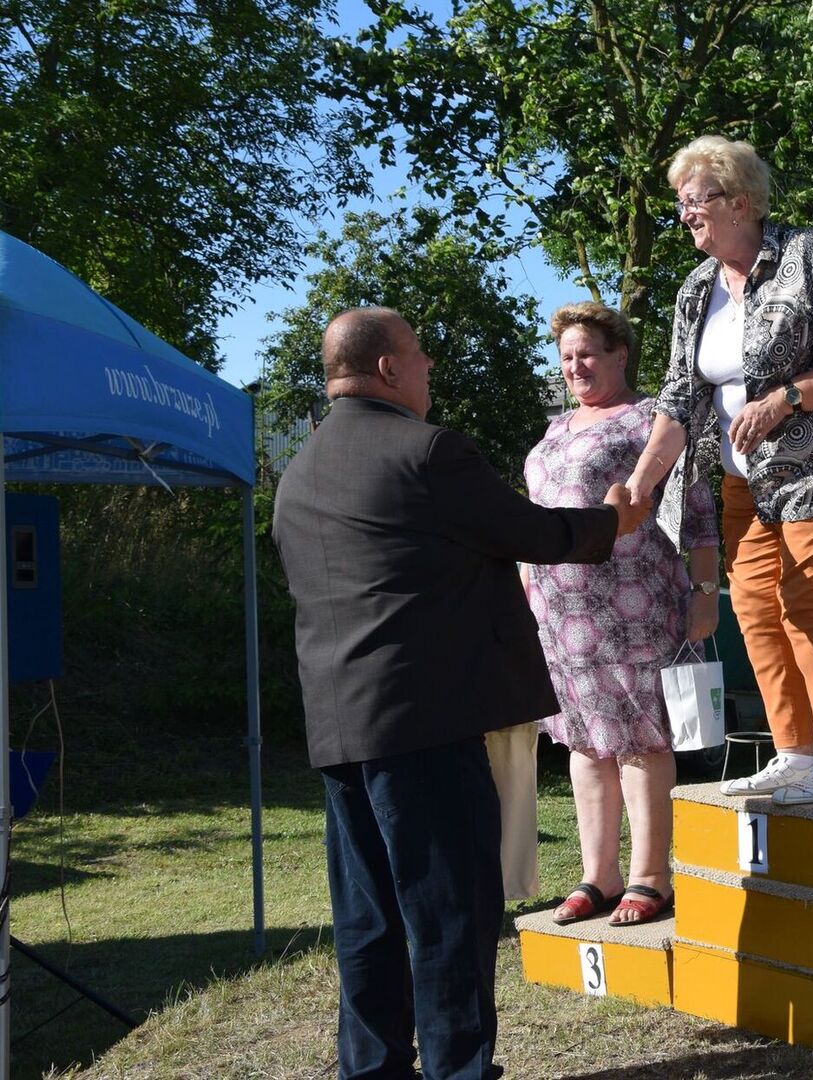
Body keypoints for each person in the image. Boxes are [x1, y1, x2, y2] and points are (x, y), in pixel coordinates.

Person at [271, 306, 649, 1080]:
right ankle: (458, 1070)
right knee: (450, 913)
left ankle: (372, 1069)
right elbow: (530, 533)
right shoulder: (428, 451)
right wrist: (612, 521)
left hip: (339, 728)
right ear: (388, 368)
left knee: (368, 918)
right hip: (429, 722)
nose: (429, 366)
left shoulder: (299, 470)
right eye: (419, 353)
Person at [625, 134, 813, 805]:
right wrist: (642, 481)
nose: (685, 214)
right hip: (744, 481)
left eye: (696, 200)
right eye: (680, 204)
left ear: (740, 202)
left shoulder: (808, 256)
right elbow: (679, 396)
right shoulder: (695, 290)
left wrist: (787, 398)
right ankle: (795, 753)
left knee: (808, 601)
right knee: (752, 609)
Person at [525, 301, 720, 927]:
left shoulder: (650, 421)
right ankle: (598, 875)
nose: (575, 366)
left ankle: (650, 877)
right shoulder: (556, 428)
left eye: (587, 353)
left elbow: (698, 513)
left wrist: (705, 592)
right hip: (561, 615)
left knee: (640, 739)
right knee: (584, 741)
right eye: (566, 356)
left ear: (620, 354)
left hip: (635, 605)